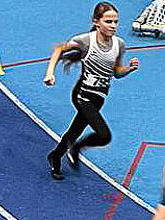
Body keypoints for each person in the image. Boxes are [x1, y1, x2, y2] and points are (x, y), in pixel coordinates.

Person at [43, 1, 139, 180]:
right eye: (108, 22)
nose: (113, 26)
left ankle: (55, 156)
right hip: (82, 94)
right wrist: (50, 73)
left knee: (75, 130)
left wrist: (129, 69)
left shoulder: (119, 44)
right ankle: (76, 148)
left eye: (116, 22)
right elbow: (58, 49)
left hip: (99, 98)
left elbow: (116, 73)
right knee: (104, 135)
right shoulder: (86, 40)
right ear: (96, 22)